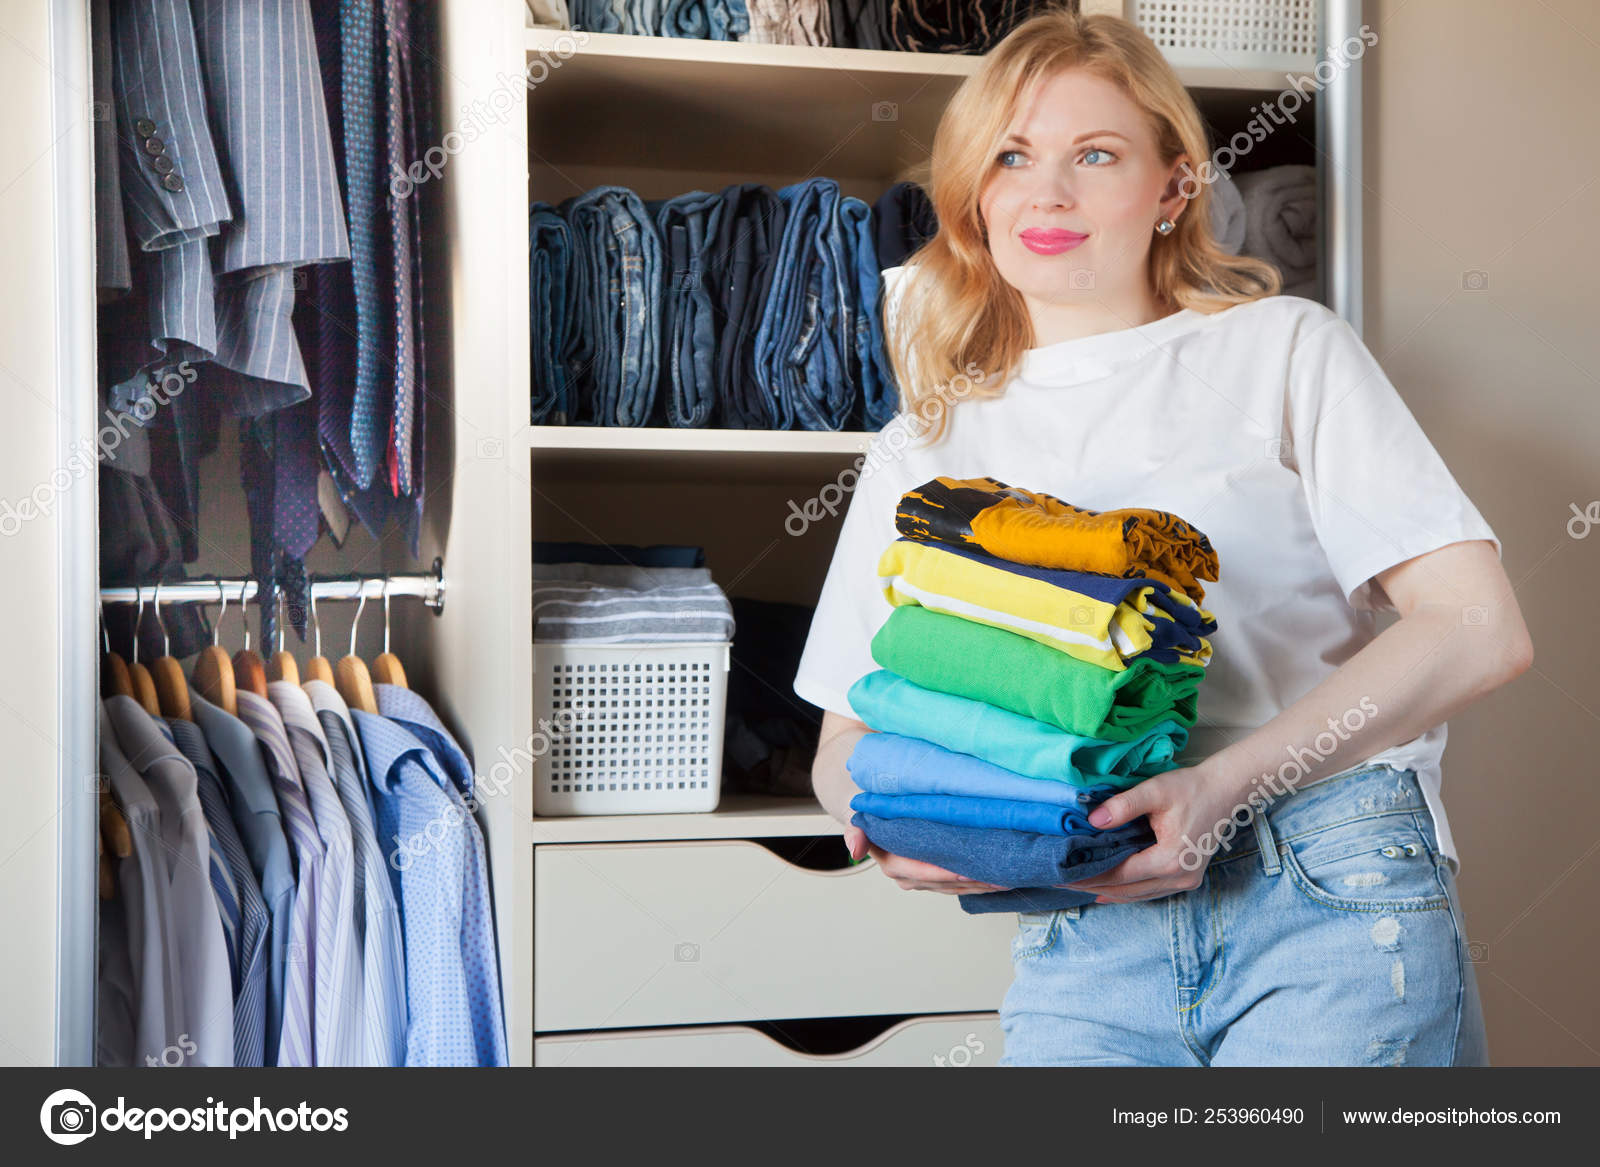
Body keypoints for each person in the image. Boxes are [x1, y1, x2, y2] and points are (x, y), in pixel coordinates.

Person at [792, 9, 1532, 1067]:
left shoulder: (1282, 349)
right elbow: (844, 744)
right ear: (972, 196)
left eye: (1094, 155)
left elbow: (1476, 627)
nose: (1046, 193)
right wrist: (916, 824)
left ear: (1174, 186)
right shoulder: (928, 440)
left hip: (1320, 887)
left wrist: (1227, 784)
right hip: (1083, 921)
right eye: (1011, 157)